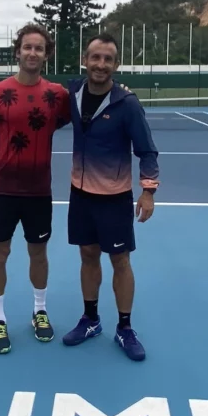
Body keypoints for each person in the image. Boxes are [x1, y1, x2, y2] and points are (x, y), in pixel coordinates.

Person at [0, 24, 70, 354]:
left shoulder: (57, 96)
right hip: (2, 190)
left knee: (38, 254)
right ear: (17, 51)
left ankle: (39, 311)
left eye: (39, 48)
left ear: (46, 55)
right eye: (27, 47)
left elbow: (83, 117)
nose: (33, 53)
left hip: (39, 192)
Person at [61, 33, 159, 361]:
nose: (101, 64)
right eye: (95, 57)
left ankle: (125, 327)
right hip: (80, 194)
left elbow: (147, 150)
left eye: (108, 59)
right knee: (88, 256)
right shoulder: (72, 93)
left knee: (120, 261)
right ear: (85, 60)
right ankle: (90, 320)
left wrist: (147, 192)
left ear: (116, 64)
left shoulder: (127, 103)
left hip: (115, 197)